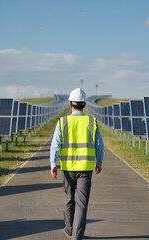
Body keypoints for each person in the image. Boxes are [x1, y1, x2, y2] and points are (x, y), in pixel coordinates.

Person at [49, 88, 104, 240]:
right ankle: (76, 236)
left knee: (69, 199)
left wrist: (53, 164)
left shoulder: (63, 121)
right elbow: (99, 145)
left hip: (67, 168)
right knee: (82, 203)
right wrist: (99, 162)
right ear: (84, 104)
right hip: (85, 169)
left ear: (70, 104)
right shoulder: (92, 122)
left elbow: (55, 145)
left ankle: (69, 228)